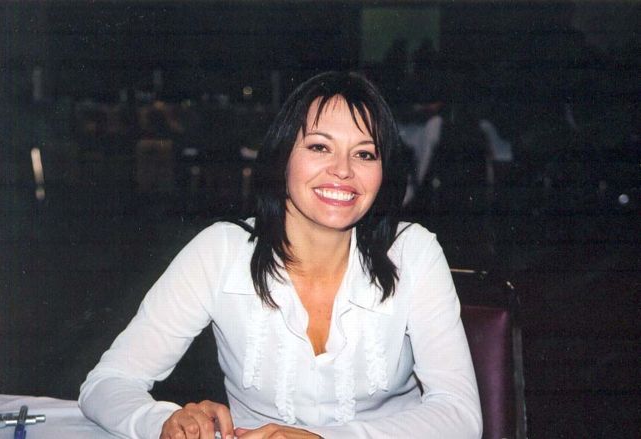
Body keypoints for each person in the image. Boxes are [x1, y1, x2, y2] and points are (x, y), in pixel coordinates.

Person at [79, 71, 482, 439]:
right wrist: (164, 422)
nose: (343, 170)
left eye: (364, 154)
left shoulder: (413, 252)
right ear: (282, 155)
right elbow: (107, 383)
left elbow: (460, 414)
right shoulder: (220, 253)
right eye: (320, 147)